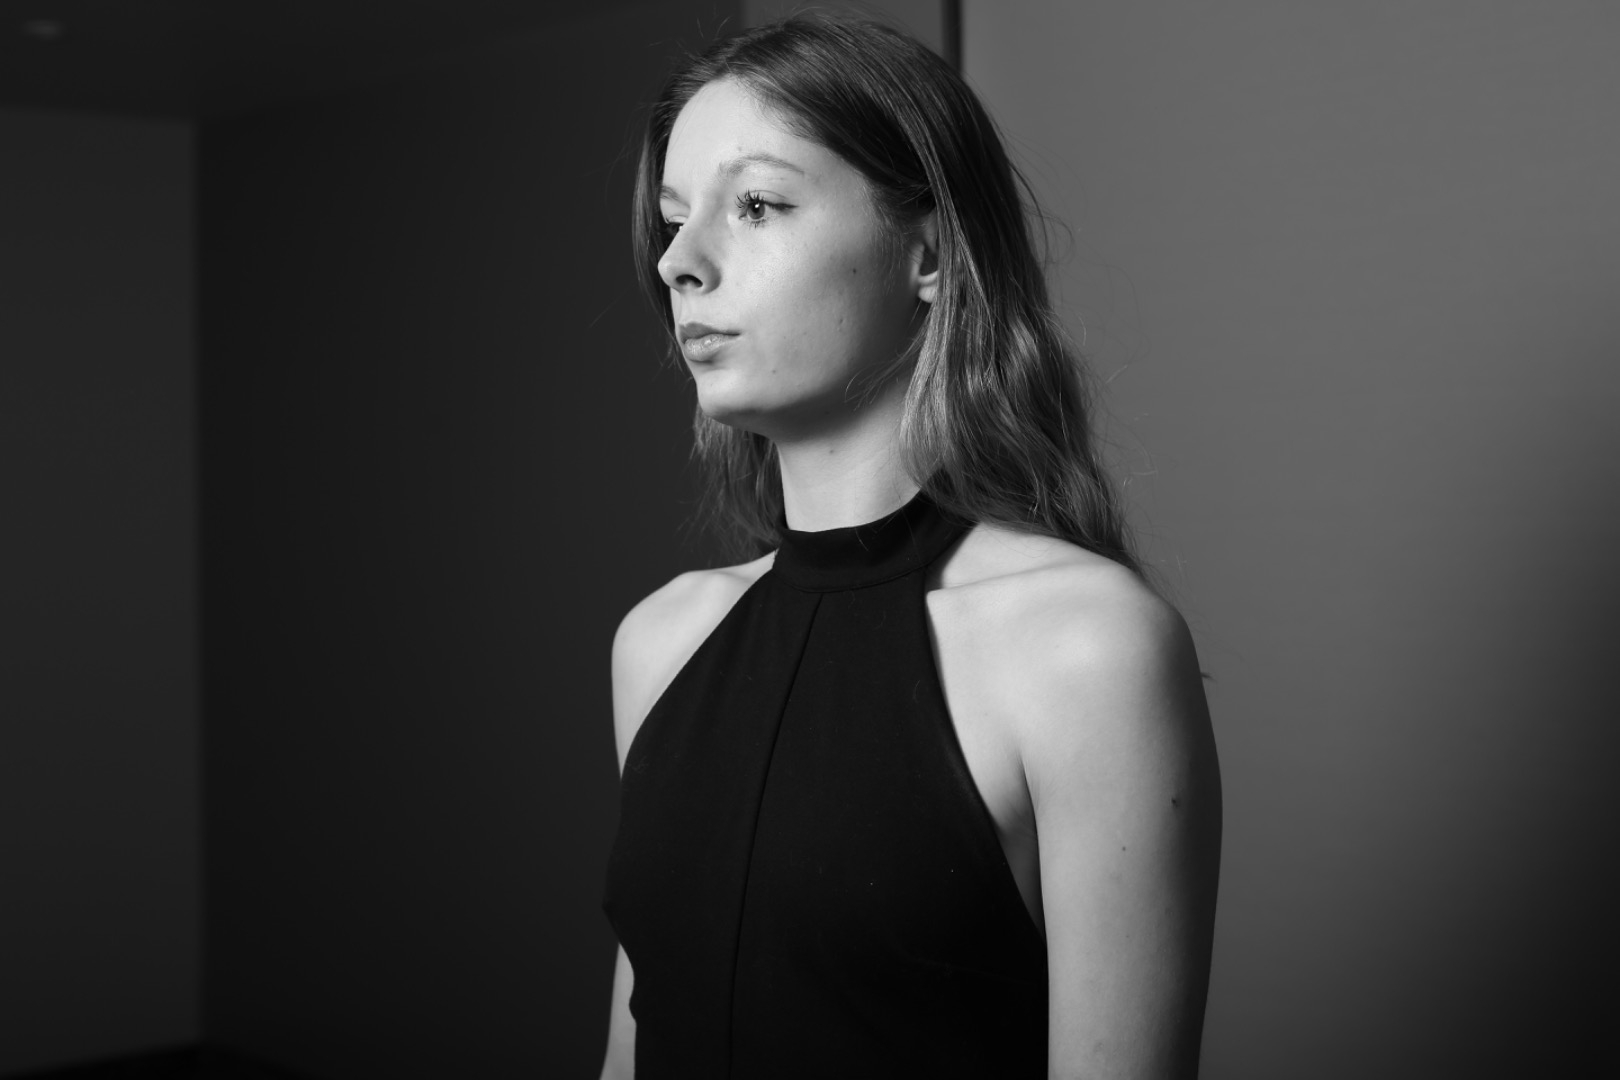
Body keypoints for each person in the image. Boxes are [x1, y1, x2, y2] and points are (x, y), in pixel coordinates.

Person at [599, 13, 1221, 1079]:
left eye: (755, 205)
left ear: (927, 253)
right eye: (671, 218)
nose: (678, 262)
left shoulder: (1086, 649)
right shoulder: (659, 645)